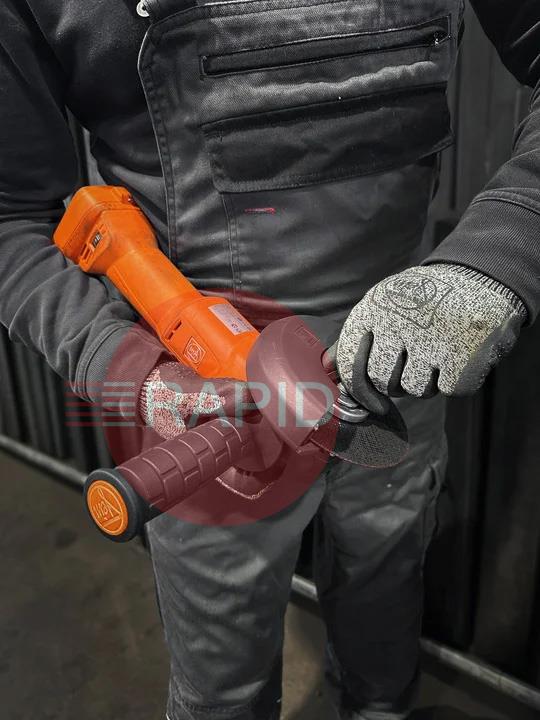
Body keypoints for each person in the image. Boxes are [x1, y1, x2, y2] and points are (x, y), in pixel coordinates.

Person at [0, 1, 538, 718]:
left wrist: (499, 249)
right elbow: (9, 217)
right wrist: (127, 367)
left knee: (385, 618)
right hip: (207, 418)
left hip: (399, 366)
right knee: (225, 693)